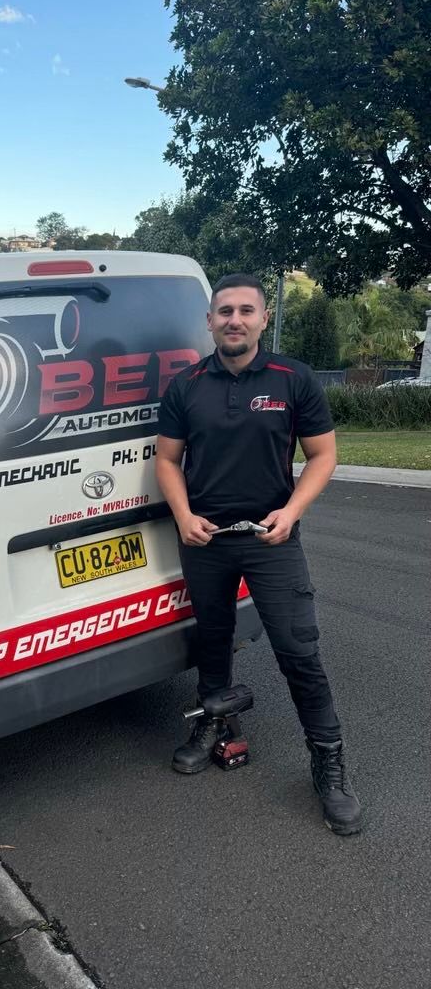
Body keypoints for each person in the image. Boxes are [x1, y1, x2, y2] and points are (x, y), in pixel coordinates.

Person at [155, 273, 362, 835]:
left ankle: (328, 763)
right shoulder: (187, 385)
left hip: (272, 540)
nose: (235, 320)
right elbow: (168, 461)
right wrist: (182, 516)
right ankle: (213, 725)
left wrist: (292, 512)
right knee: (212, 640)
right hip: (206, 541)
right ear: (210, 321)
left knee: (299, 651)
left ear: (263, 319)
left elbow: (322, 455)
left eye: (246, 310)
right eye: (224, 311)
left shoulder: (293, 378)